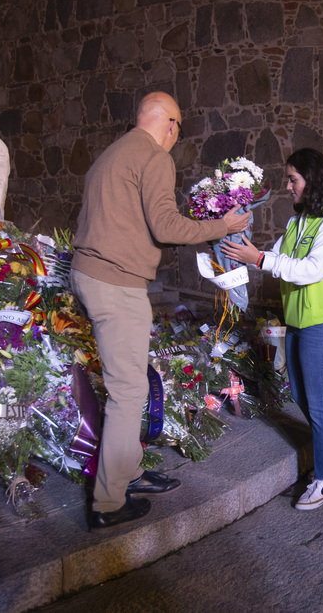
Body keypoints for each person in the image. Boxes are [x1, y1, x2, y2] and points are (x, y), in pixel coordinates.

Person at [71, 92, 251, 529]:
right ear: (169, 124)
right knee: (128, 390)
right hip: (116, 283)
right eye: (179, 128)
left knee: (128, 379)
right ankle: (108, 502)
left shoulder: (113, 154)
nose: (176, 136)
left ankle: (128, 471)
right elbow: (165, 225)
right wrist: (221, 226)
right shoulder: (154, 155)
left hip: (92, 276)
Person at [222, 148, 323, 510]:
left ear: (312, 180)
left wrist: (261, 258)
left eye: (293, 179)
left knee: (321, 401)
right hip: (299, 318)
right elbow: (274, 256)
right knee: (300, 392)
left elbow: (311, 269)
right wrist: (234, 248)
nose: (287, 185)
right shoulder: (300, 221)